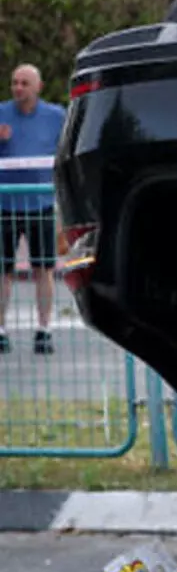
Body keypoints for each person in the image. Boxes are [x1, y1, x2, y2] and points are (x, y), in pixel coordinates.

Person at [0, 64, 65, 355]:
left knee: (44, 268)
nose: (18, 88)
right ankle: (0, 329)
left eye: (24, 83)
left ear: (38, 87)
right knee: (3, 271)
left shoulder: (56, 117)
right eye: (14, 83)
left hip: (41, 203)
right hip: (7, 204)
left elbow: (65, 155)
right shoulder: (1, 115)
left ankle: (44, 329)